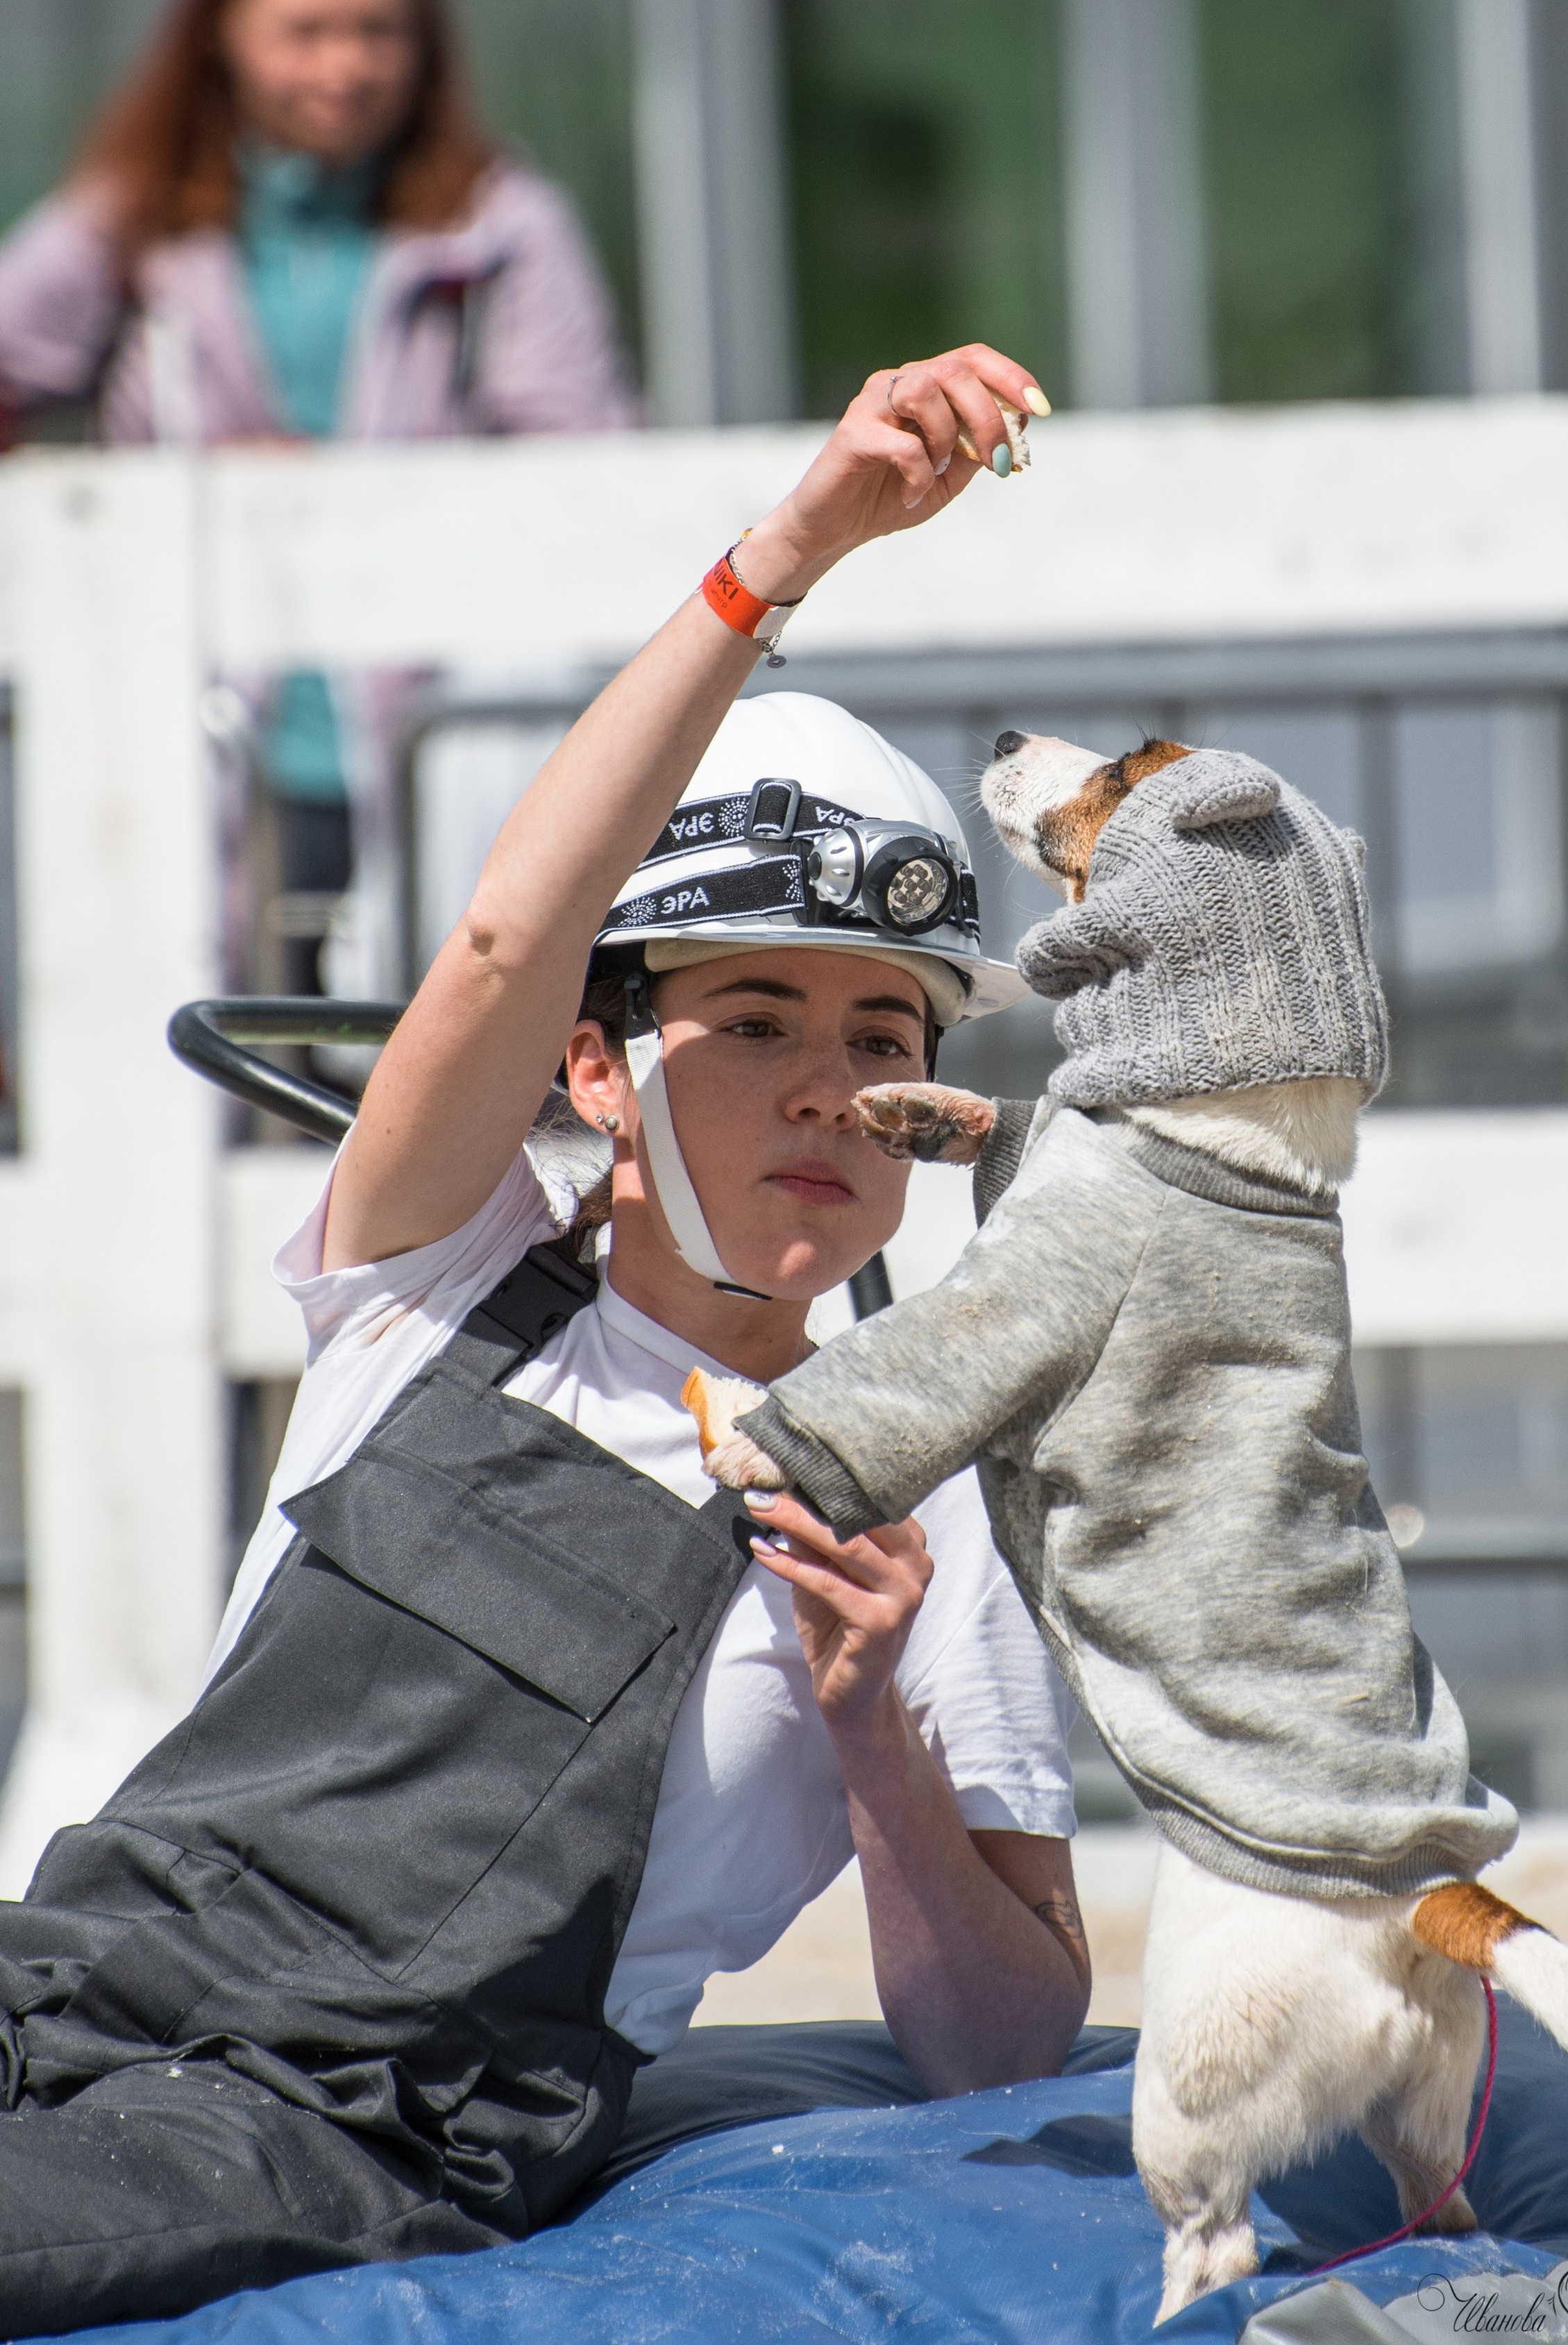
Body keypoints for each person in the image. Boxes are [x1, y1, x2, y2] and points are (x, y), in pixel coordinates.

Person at [0, 344, 1079, 2333]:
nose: (830, 1094)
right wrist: (793, 551)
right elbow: (510, 930)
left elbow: (1007, 2048)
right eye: (753, 1022)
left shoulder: (938, 1533)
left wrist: (876, 1737)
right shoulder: (423, 1281)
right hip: (61, 1972)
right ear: (593, 1068)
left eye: (884, 1038)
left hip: (341, 2130)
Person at [0, 0, 639, 1008]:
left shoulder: (501, 223)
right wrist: (137, 490)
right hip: (198, 740)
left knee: (428, 1073)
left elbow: (584, 474)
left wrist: (361, 499)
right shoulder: (131, 226)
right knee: (198, 1078)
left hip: (446, 738)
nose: (344, 67)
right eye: (304, 31)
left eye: (378, 30)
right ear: (220, 35)